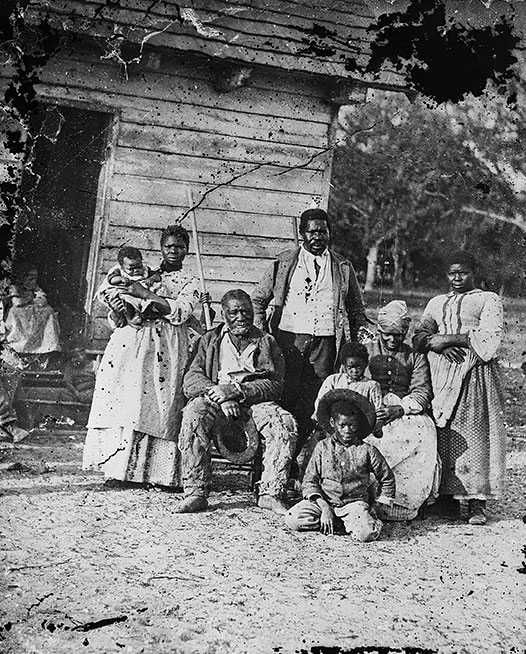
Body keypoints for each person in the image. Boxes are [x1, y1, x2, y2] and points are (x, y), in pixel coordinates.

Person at [82, 225, 201, 489]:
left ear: (186, 249)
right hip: (132, 340)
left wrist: (144, 294)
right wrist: (119, 308)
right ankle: (120, 472)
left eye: (179, 247)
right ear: (161, 248)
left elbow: (180, 312)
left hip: (166, 343)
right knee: (127, 400)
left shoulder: (191, 281)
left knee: (161, 404)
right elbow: (117, 314)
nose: (174, 251)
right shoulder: (142, 272)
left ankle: (158, 475)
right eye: (169, 246)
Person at [252, 208, 370, 451]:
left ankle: (298, 461)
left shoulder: (342, 266)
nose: (318, 237)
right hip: (288, 341)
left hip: (325, 345)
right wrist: (263, 336)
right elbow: (258, 301)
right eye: (312, 232)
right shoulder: (283, 263)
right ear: (302, 233)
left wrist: (357, 343)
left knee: (314, 402)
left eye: (323, 232)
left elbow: (357, 310)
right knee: (283, 396)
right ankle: (271, 462)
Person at [176, 289, 297, 515]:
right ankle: (196, 491)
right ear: (224, 314)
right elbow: (191, 380)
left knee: (283, 422)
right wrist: (218, 393)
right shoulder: (210, 339)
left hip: (252, 402)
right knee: (194, 413)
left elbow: (274, 384)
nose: (241, 317)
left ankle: (271, 492)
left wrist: (236, 391)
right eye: (234, 312)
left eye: (246, 312)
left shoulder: (266, 341)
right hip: (215, 399)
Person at [413, 251, 506, 526]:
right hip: (439, 372)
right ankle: (446, 499)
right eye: (452, 273)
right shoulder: (436, 302)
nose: (456, 278)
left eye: (462, 272)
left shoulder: (487, 299)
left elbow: (489, 337)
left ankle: (477, 503)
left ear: (473, 272)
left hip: (473, 371)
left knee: (475, 433)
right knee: (443, 434)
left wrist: (445, 338)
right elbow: (419, 336)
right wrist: (435, 343)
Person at [284, 390, 395, 541]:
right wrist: (324, 507)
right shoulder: (322, 447)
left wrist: (377, 507)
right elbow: (310, 480)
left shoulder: (367, 450)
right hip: (324, 502)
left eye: (352, 425)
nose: (347, 430)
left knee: (366, 534)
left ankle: (358, 522)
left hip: (353, 504)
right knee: (293, 519)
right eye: (342, 425)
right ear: (332, 423)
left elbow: (387, 478)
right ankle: (335, 521)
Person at [365, 300, 439, 521]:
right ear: (379, 330)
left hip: (404, 409)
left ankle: (402, 503)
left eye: (398, 335)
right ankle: (364, 496)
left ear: (405, 332)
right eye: (387, 334)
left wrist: (399, 409)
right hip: (370, 406)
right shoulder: (366, 351)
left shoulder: (414, 355)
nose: (391, 339)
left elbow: (422, 392)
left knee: (422, 435)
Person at [4, 266, 60, 367]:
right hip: (18, 311)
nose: (33, 282)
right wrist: (31, 299)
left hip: (31, 310)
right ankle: (20, 342)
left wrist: (38, 300)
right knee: (15, 313)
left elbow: (43, 299)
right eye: (30, 279)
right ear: (22, 278)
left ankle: (43, 344)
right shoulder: (15, 288)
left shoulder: (35, 287)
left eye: (35, 279)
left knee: (49, 311)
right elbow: (17, 302)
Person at [98, 245, 162, 328]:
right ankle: (130, 318)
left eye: (139, 266)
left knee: (148, 304)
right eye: (131, 269)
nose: (136, 270)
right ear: (122, 267)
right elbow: (111, 279)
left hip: (142, 294)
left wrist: (152, 278)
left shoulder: (146, 270)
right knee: (127, 302)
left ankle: (146, 315)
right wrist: (121, 279)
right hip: (127, 293)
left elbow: (158, 276)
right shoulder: (119, 271)